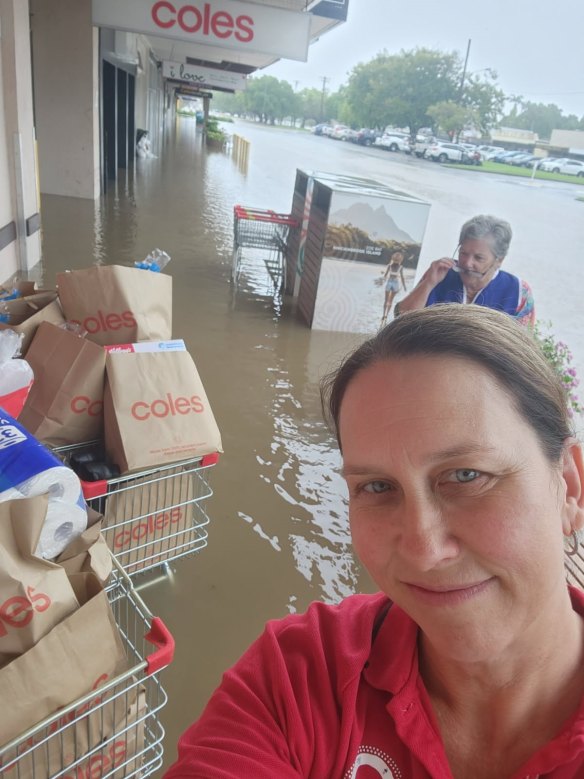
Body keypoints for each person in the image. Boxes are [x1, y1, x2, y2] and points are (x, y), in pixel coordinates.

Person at [164, 305, 584, 779]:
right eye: (378, 488)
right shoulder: (300, 677)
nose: (423, 551)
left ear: (569, 486)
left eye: (467, 476)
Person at [396, 214, 535, 325]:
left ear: (499, 260)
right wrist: (428, 284)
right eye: (463, 253)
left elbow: (522, 347)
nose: (467, 263)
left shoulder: (518, 291)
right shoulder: (440, 272)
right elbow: (401, 318)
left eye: (478, 258)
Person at [380, 249, 407, 324]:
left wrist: (381, 281)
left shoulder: (390, 266)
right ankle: (386, 315)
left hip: (390, 282)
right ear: (400, 259)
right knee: (390, 301)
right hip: (395, 283)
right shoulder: (400, 267)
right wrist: (404, 286)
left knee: (386, 300)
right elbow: (402, 277)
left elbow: (385, 276)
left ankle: (384, 315)